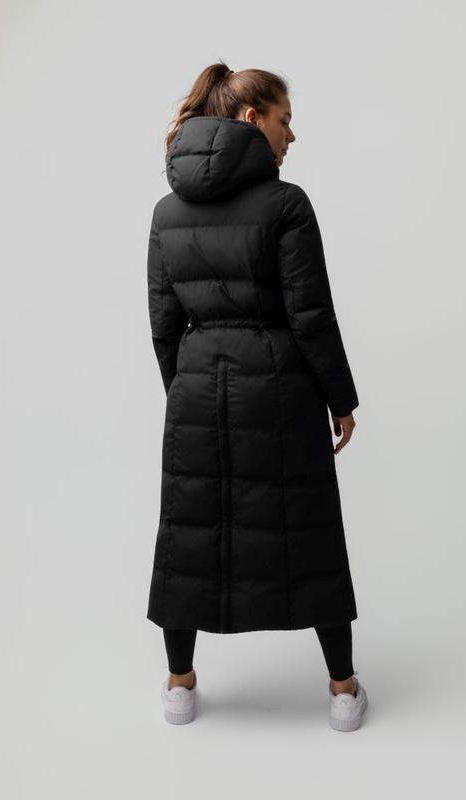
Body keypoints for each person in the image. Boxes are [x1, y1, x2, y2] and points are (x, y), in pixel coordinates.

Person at [146, 62, 368, 731]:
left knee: (190, 534)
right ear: (251, 119)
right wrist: (340, 398)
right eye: (284, 120)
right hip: (281, 389)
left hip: (195, 390)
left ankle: (180, 685)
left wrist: (186, 391)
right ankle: (343, 691)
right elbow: (311, 316)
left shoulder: (166, 211)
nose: (291, 136)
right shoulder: (286, 204)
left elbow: (163, 323)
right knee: (309, 530)